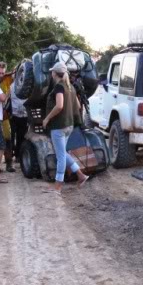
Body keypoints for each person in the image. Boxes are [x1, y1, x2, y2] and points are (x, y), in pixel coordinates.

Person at [42, 61, 89, 193]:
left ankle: (58, 186)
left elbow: (59, 105)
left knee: (61, 156)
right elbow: (78, 106)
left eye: (52, 71)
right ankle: (81, 175)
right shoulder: (71, 87)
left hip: (59, 126)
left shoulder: (59, 87)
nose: (51, 73)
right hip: (69, 125)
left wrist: (47, 118)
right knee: (62, 153)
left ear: (55, 73)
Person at [9, 78, 29, 160]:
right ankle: (14, 156)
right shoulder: (13, 86)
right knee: (14, 136)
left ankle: (17, 155)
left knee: (19, 136)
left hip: (21, 115)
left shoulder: (12, 85)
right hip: (15, 115)